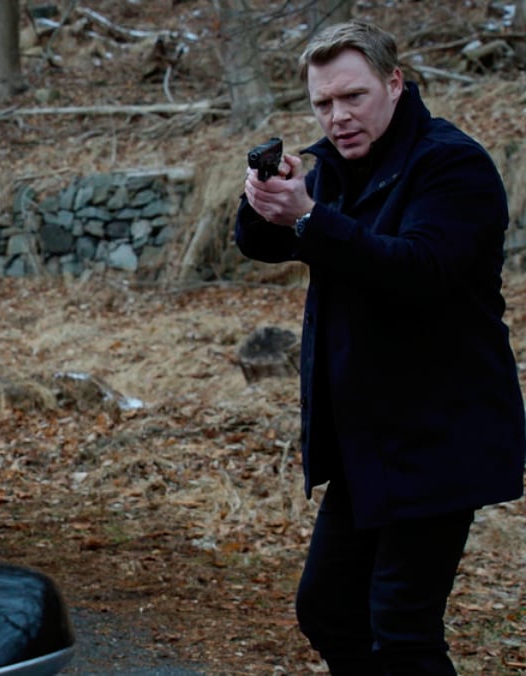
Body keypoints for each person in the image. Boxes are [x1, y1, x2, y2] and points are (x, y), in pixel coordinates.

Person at [235, 20, 526, 673]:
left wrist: (310, 218)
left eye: (353, 97)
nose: (337, 117)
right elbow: (265, 245)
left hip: (443, 431)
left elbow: (419, 268)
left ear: (394, 83)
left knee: (401, 624)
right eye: (322, 103)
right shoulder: (338, 167)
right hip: (368, 439)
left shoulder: (453, 163)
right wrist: (264, 201)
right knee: (330, 608)